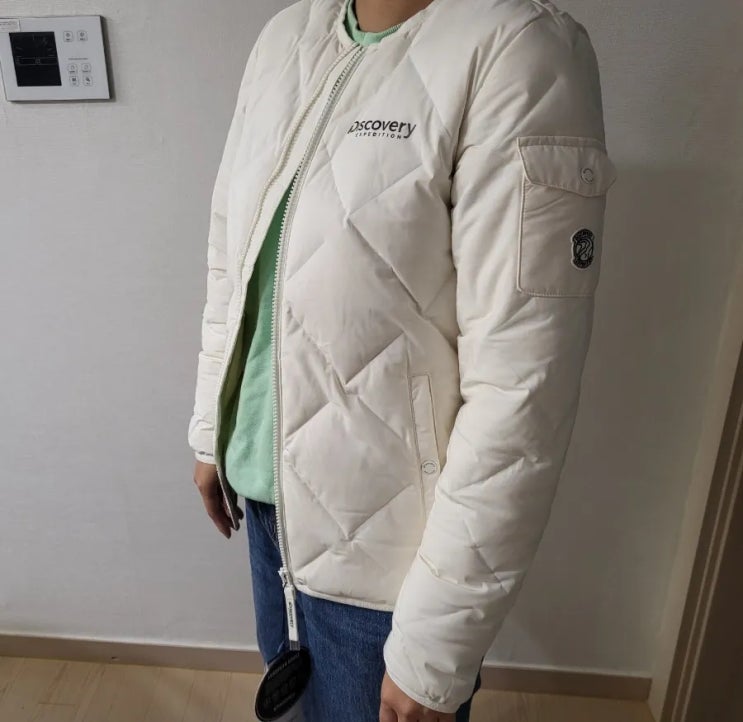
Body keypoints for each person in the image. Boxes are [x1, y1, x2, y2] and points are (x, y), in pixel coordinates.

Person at [188, 0, 617, 720]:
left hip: (388, 564)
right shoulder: (286, 38)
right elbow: (230, 259)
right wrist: (214, 429)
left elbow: (522, 391)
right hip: (264, 509)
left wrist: (436, 648)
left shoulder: (519, 50)